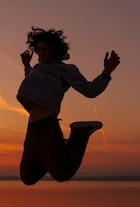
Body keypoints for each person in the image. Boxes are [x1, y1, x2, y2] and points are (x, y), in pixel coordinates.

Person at [17, 27, 120, 185]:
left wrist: (106, 73)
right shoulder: (37, 69)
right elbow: (34, 88)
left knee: (62, 174)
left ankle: (81, 132)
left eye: (45, 49)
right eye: (38, 50)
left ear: (55, 50)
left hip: (47, 126)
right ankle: (59, 149)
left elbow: (89, 90)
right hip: (32, 128)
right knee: (28, 177)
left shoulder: (65, 69)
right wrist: (26, 66)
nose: (41, 53)